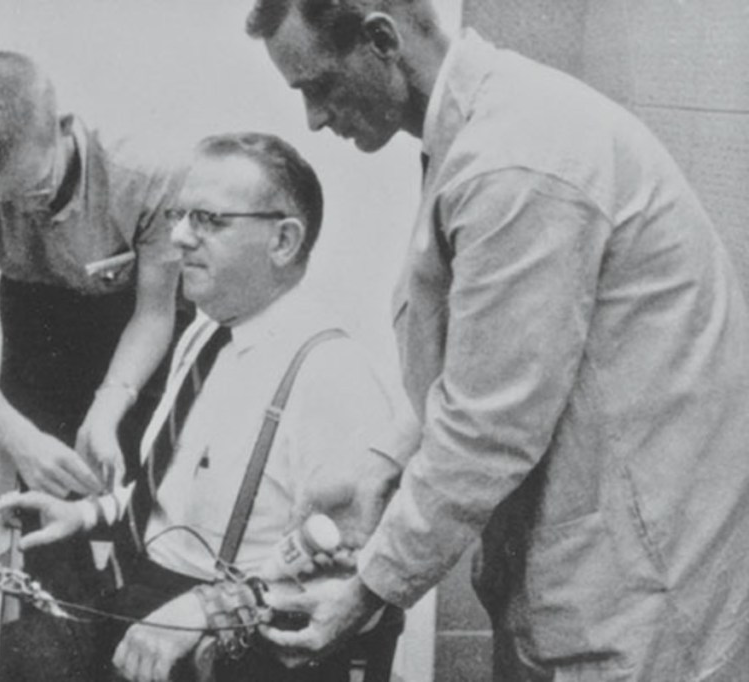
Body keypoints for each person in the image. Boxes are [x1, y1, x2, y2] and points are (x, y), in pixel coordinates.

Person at [246, 2, 749, 680]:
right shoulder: (482, 129)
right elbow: (486, 353)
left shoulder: (515, 158)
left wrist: (369, 588)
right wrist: (382, 466)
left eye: (321, 85)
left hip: (639, 578)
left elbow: (490, 421)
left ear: (381, 40)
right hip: (597, 560)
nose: (313, 117)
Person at [0, 132, 400, 682]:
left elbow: (359, 584)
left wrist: (209, 611)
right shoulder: (205, 333)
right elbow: (175, 497)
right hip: (147, 599)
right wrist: (86, 514)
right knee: (2, 656)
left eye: (207, 220)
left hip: (239, 647)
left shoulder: (333, 378)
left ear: (283, 241)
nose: (179, 237)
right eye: (179, 215)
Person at [0, 51, 185, 602]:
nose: (23, 210)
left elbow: (155, 313)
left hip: (134, 318)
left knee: (147, 503)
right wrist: (20, 440)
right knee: (38, 504)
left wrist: (109, 404)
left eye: (35, 190)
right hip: (36, 314)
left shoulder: (147, 172)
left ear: (64, 129)